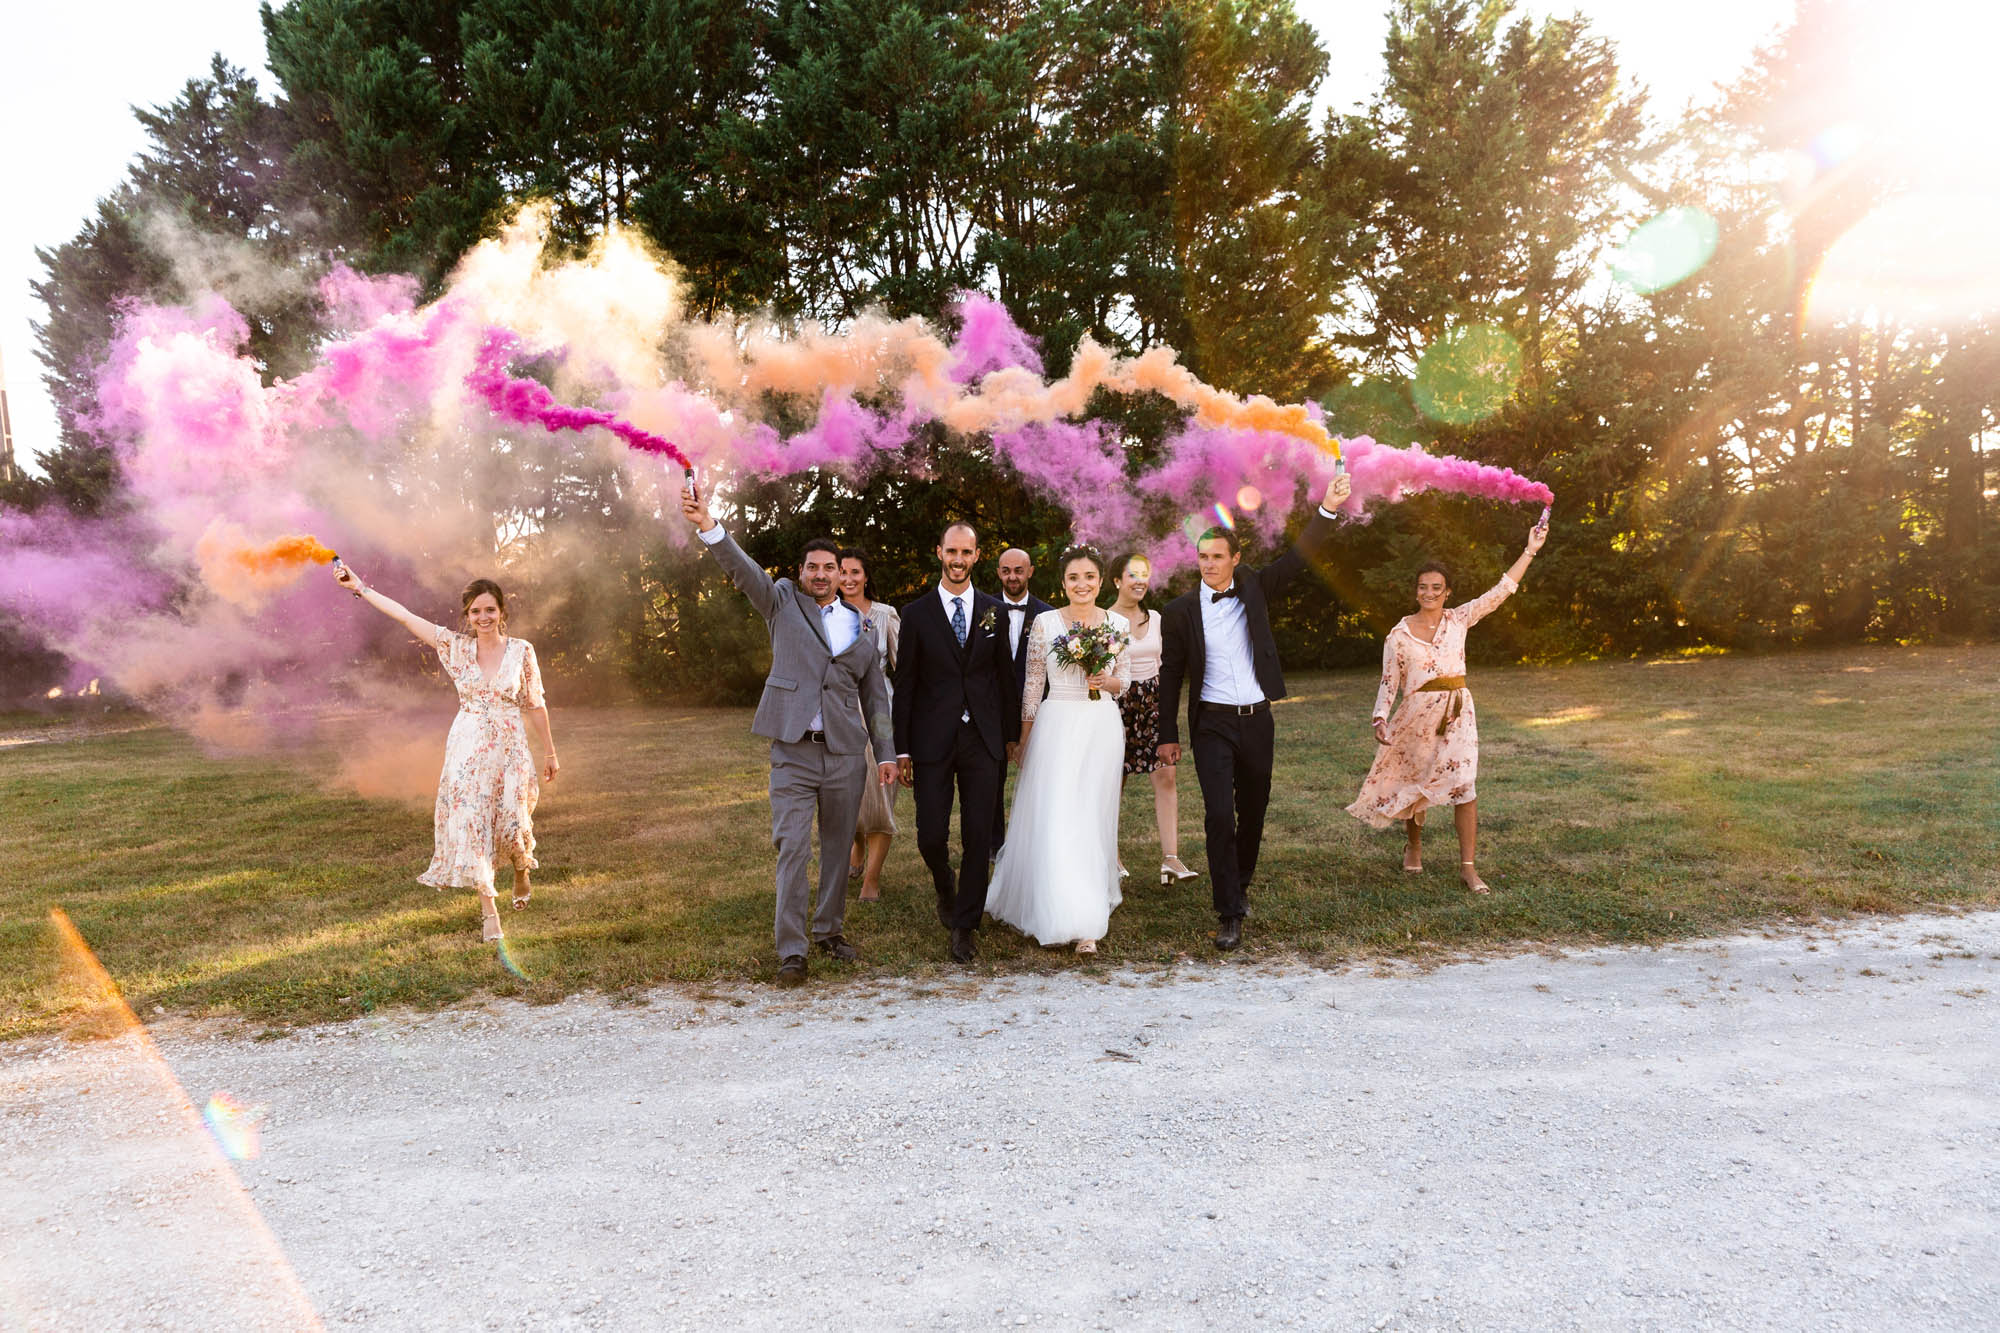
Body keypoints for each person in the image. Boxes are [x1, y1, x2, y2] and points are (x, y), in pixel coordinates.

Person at [681, 479, 897, 987]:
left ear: (844, 576)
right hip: (794, 753)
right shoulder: (780, 602)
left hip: (846, 754)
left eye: (831, 568)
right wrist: (709, 526)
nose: (822, 575)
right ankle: (792, 951)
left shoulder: (863, 628)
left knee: (840, 842)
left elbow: (877, 700)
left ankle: (829, 930)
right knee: (793, 847)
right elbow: (742, 569)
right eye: (813, 568)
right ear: (801, 573)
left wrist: (885, 752)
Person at [1156, 469, 1352, 951]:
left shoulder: (1255, 590)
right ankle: (1228, 911)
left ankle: (1239, 883)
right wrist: (1167, 732)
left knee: (1254, 810)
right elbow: (1170, 675)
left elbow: (1300, 558)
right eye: (1202, 558)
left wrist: (1327, 507)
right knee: (1219, 814)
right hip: (1212, 724)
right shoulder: (1181, 611)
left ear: (1235, 559)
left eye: (1217, 558)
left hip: (1257, 720)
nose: (1208, 566)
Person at [333, 565, 558, 944]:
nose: (483, 618)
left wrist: (550, 752)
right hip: (468, 747)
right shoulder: (455, 646)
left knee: (512, 824)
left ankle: (521, 869)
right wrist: (361, 589)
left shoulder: (522, 652)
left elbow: (535, 705)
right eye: (475, 611)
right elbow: (404, 616)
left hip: (510, 747)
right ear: (466, 616)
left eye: (490, 610)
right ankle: (490, 911)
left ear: (502, 611)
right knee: (471, 823)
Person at [1347, 515, 1549, 894]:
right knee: (1416, 783)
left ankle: (1468, 868)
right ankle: (1415, 845)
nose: (1429, 593)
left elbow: (1502, 590)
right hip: (1417, 715)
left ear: (1447, 592)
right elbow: (1389, 682)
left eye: (1436, 588)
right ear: (1416, 591)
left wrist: (1530, 551)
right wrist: (1379, 717)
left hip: (1458, 714)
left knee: (1464, 785)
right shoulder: (1399, 635)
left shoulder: (1459, 620)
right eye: (1423, 587)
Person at [986, 547, 1131, 953]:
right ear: (1062, 583)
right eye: (1073, 578)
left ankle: (1087, 921)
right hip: (1056, 724)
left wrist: (1107, 680)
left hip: (1100, 725)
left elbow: (1127, 681)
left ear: (1101, 582)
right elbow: (1033, 687)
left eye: (1089, 577)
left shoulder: (1117, 624)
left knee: (1090, 814)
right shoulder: (1046, 623)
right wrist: (1025, 739)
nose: (1081, 585)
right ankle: (1053, 907)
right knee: (1057, 813)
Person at [893, 521, 1018, 964]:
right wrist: (902, 748)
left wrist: (1009, 737)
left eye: (967, 552)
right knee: (930, 835)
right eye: (952, 551)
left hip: (982, 739)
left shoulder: (993, 611)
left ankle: (965, 924)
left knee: (979, 834)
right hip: (931, 740)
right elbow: (904, 685)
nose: (959, 560)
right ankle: (944, 884)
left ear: (977, 556)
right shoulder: (916, 614)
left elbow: (1005, 676)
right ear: (939, 552)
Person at [1107, 552, 1197, 886]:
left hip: (1155, 704)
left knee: (1167, 776)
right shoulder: (1104, 620)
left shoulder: (1159, 619)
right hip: (1117, 705)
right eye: (1133, 575)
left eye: (1144, 574)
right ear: (1117, 580)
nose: (1140, 581)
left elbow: (1168, 666)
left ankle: (1171, 859)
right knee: (1114, 783)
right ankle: (1109, 856)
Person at [838, 547, 900, 902]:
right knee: (845, 789)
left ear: (866, 576)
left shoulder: (885, 614)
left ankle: (871, 880)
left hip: (879, 710)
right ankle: (855, 846)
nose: (848, 579)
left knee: (879, 794)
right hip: (839, 710)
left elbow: (902, 666)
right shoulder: (824, 613)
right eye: (842, 572)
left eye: (855, 573)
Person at [991, 546, 1052, 858]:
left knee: (1039, 778)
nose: (1012, 576)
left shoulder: (1049, 615)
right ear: (999, 572)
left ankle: (1037, 842)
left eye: (1018, 570)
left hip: (1039, 710)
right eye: (1006, 570)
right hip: (994, 710)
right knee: (991, 780)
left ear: (1030, 571)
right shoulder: (983, 611)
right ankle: (994, 844)